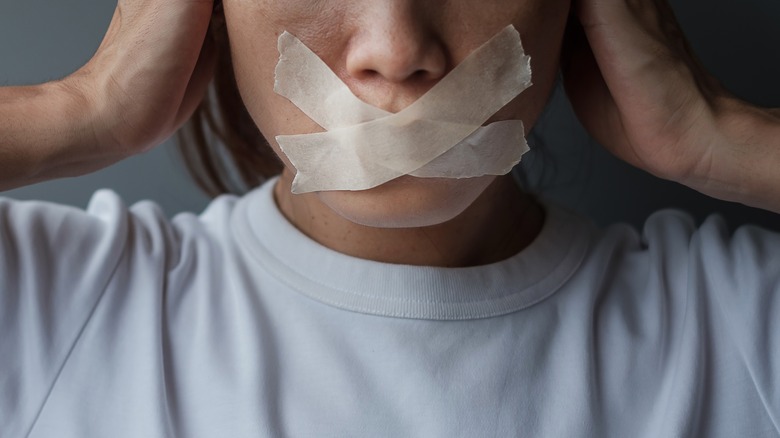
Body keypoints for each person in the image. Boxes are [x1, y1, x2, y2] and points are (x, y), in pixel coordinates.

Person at [1, 0, 779, 436]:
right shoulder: (54, 312)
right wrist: (80, 110)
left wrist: (728, 140)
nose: (394, 47)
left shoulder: (741, 332)